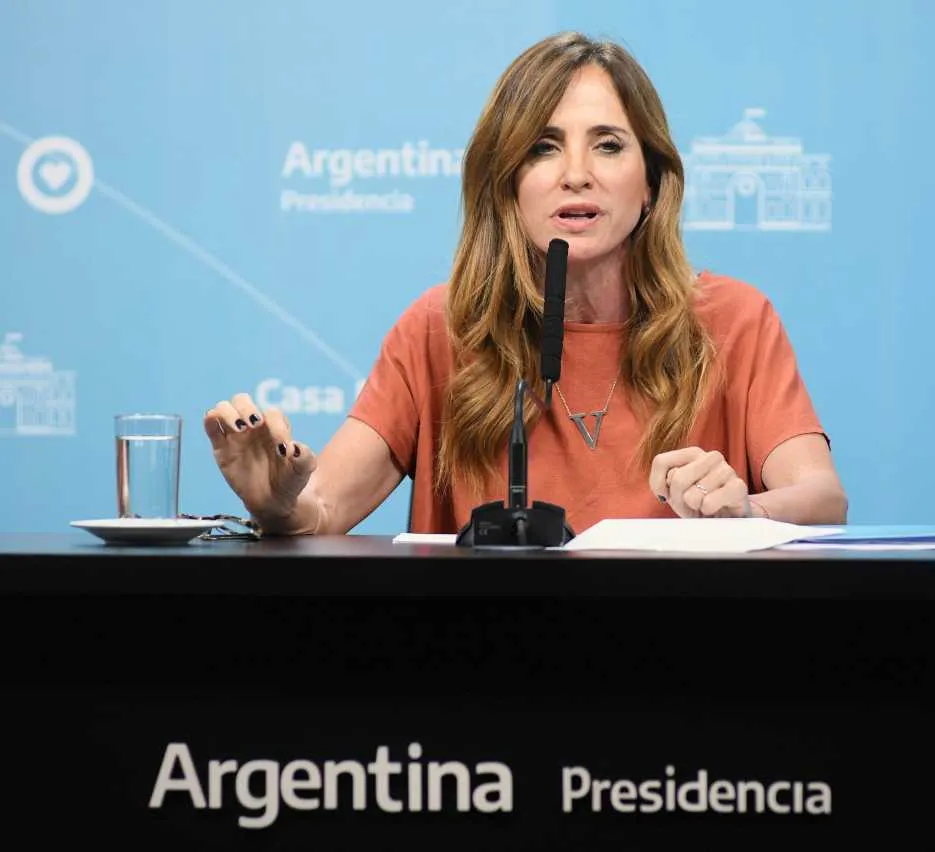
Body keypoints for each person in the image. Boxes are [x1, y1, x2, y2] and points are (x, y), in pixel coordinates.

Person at [202, 31, 848, 536]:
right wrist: (278, 504)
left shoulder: (733, 318)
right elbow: (321, 510)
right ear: (507, 182)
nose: (576, 174)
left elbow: (822, 499)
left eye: (608, 145)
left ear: (651, 182)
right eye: (543, 147)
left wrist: (747, 510)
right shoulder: (442, 327)